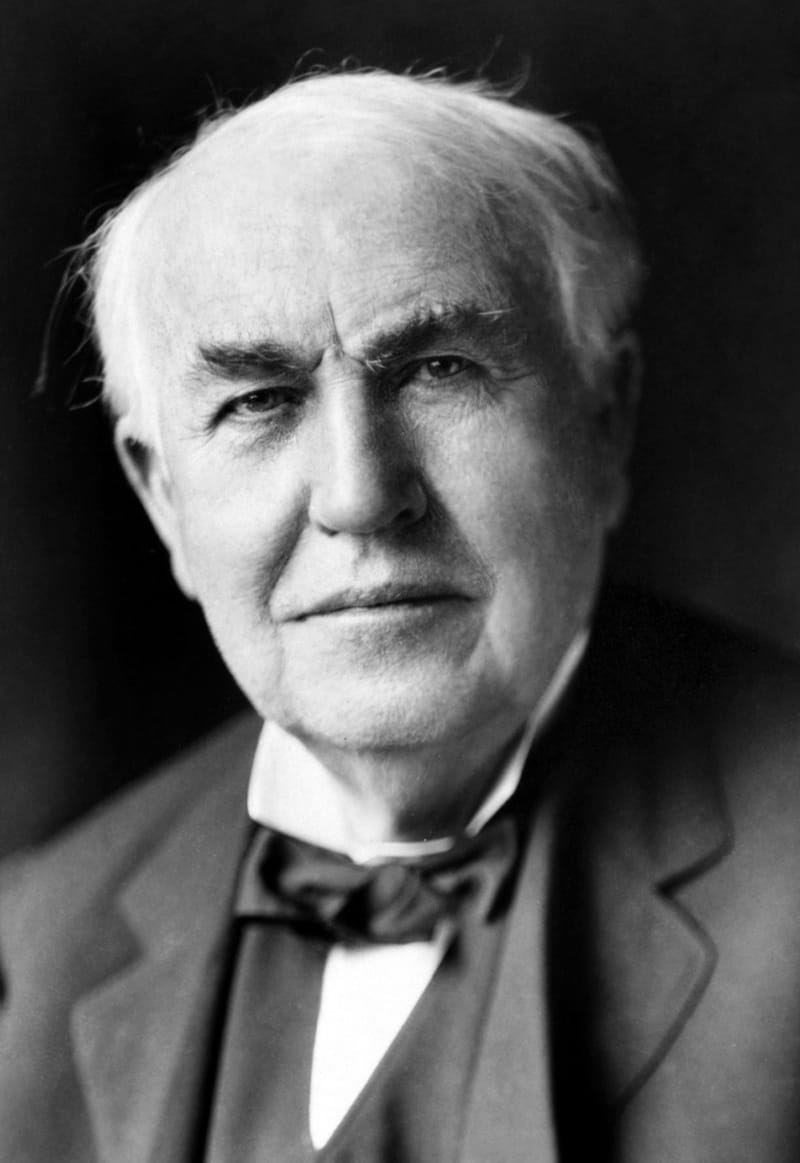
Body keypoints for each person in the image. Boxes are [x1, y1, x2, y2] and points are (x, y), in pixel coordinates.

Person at [3, 67, 800, 1163]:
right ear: (163, 499)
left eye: (438, 369)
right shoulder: (41, 944)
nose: (358, 494)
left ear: (603, 420)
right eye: (258, 401)